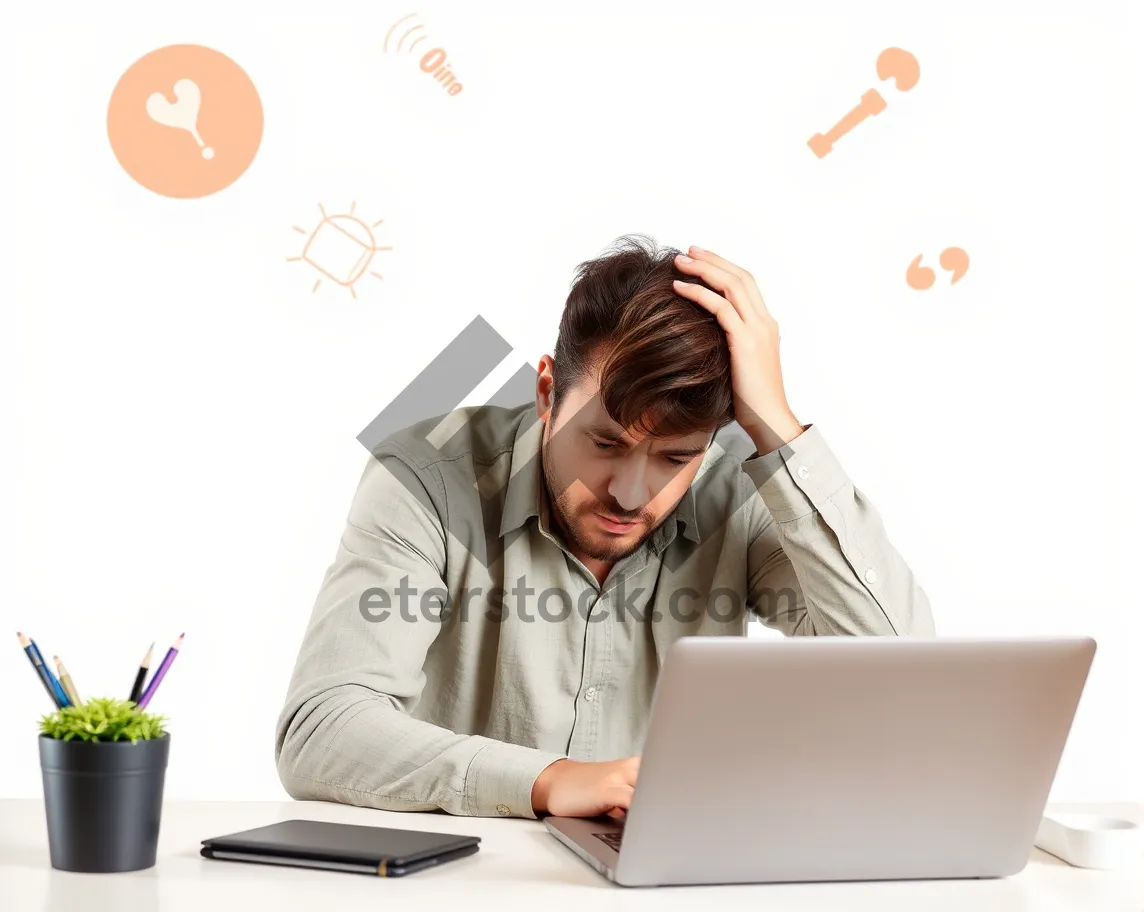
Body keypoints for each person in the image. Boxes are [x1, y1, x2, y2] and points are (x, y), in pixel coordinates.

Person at [275, 234, 935, 822]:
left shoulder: (739, 489)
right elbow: (322, 730)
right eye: (605, 442)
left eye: (676, 456)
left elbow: (904, 676)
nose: (630, 492)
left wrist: (778, 430)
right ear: (545, 394)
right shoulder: (425, 479)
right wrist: (548, 782)